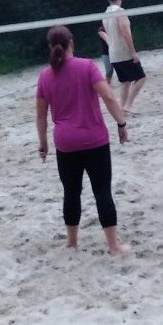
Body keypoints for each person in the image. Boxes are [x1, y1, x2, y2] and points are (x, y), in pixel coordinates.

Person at [36, 26, 131, 255]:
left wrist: (43, 144)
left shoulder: (45, 76)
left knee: (71, 193)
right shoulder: (87, 66)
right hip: (94, 139)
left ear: (50, 46)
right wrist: (121, 123)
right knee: (102, 191)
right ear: (72, 43)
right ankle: (113, 246)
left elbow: (41, 116)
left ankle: (72, 242)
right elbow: (108, 96)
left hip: (65, 143)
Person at [102, 0, 146, 115]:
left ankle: (123, 108)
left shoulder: (105, 14)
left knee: (125, 82)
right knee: (141, 78)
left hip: (113, 53)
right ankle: (128, 105)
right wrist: (133, 51)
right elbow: (125, 33)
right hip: (123, 51)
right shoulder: (120, 12)